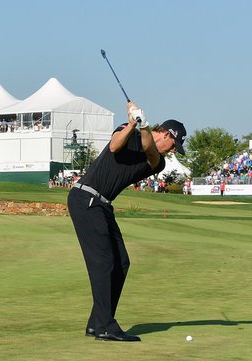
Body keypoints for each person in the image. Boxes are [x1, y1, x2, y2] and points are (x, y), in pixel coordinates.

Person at [67, 100, 187, 342]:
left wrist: (143, 127)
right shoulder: (126, 130)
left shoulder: (157, 160)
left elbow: (150, 150)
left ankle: (97, 321)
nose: (172, 151)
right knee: (104, 261)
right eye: (173, 144)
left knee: (121, 262)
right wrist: (133, 122)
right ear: (165, 133)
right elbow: (114, 146)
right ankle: (105, 326)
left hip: (102, 205)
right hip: (86, 198)